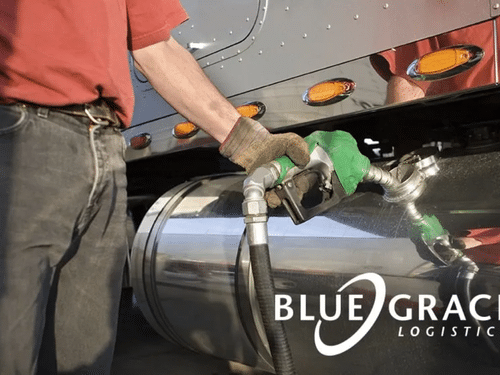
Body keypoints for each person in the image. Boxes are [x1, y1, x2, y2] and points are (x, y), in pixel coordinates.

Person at [0, 0, 310, 374]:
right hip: (17, 134)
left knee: (84, 359)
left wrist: (253, 145)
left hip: (104, 144)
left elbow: (155, 46)